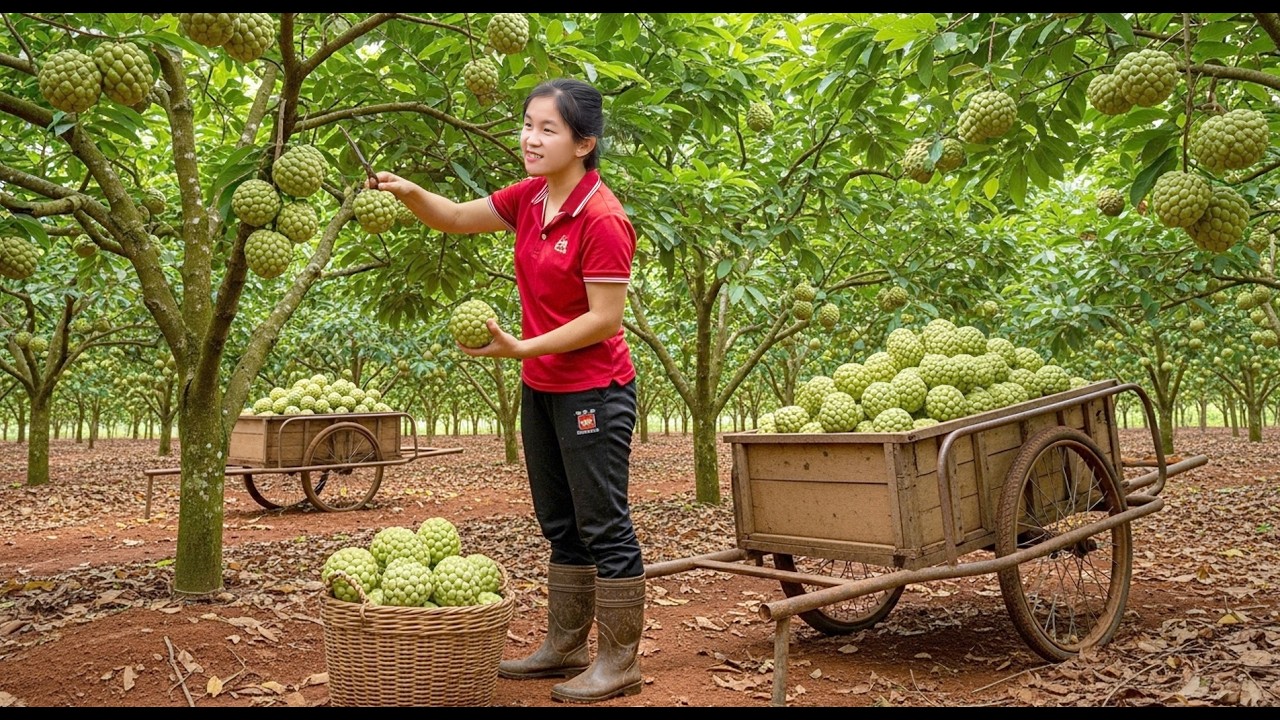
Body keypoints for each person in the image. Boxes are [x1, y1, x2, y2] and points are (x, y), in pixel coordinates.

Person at [369, 77, 645, 704]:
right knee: (559, 520)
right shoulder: (531, 198)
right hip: (542, 386)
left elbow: (605, 319)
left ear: (585, 143)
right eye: (528, 124)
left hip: (593, 391)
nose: (531, 137)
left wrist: (522, 347)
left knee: (603, 522)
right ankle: (566, 644)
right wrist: (409, 191)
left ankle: (620, 661)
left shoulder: (602, 217)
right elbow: (459, 218)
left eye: (548, 128)